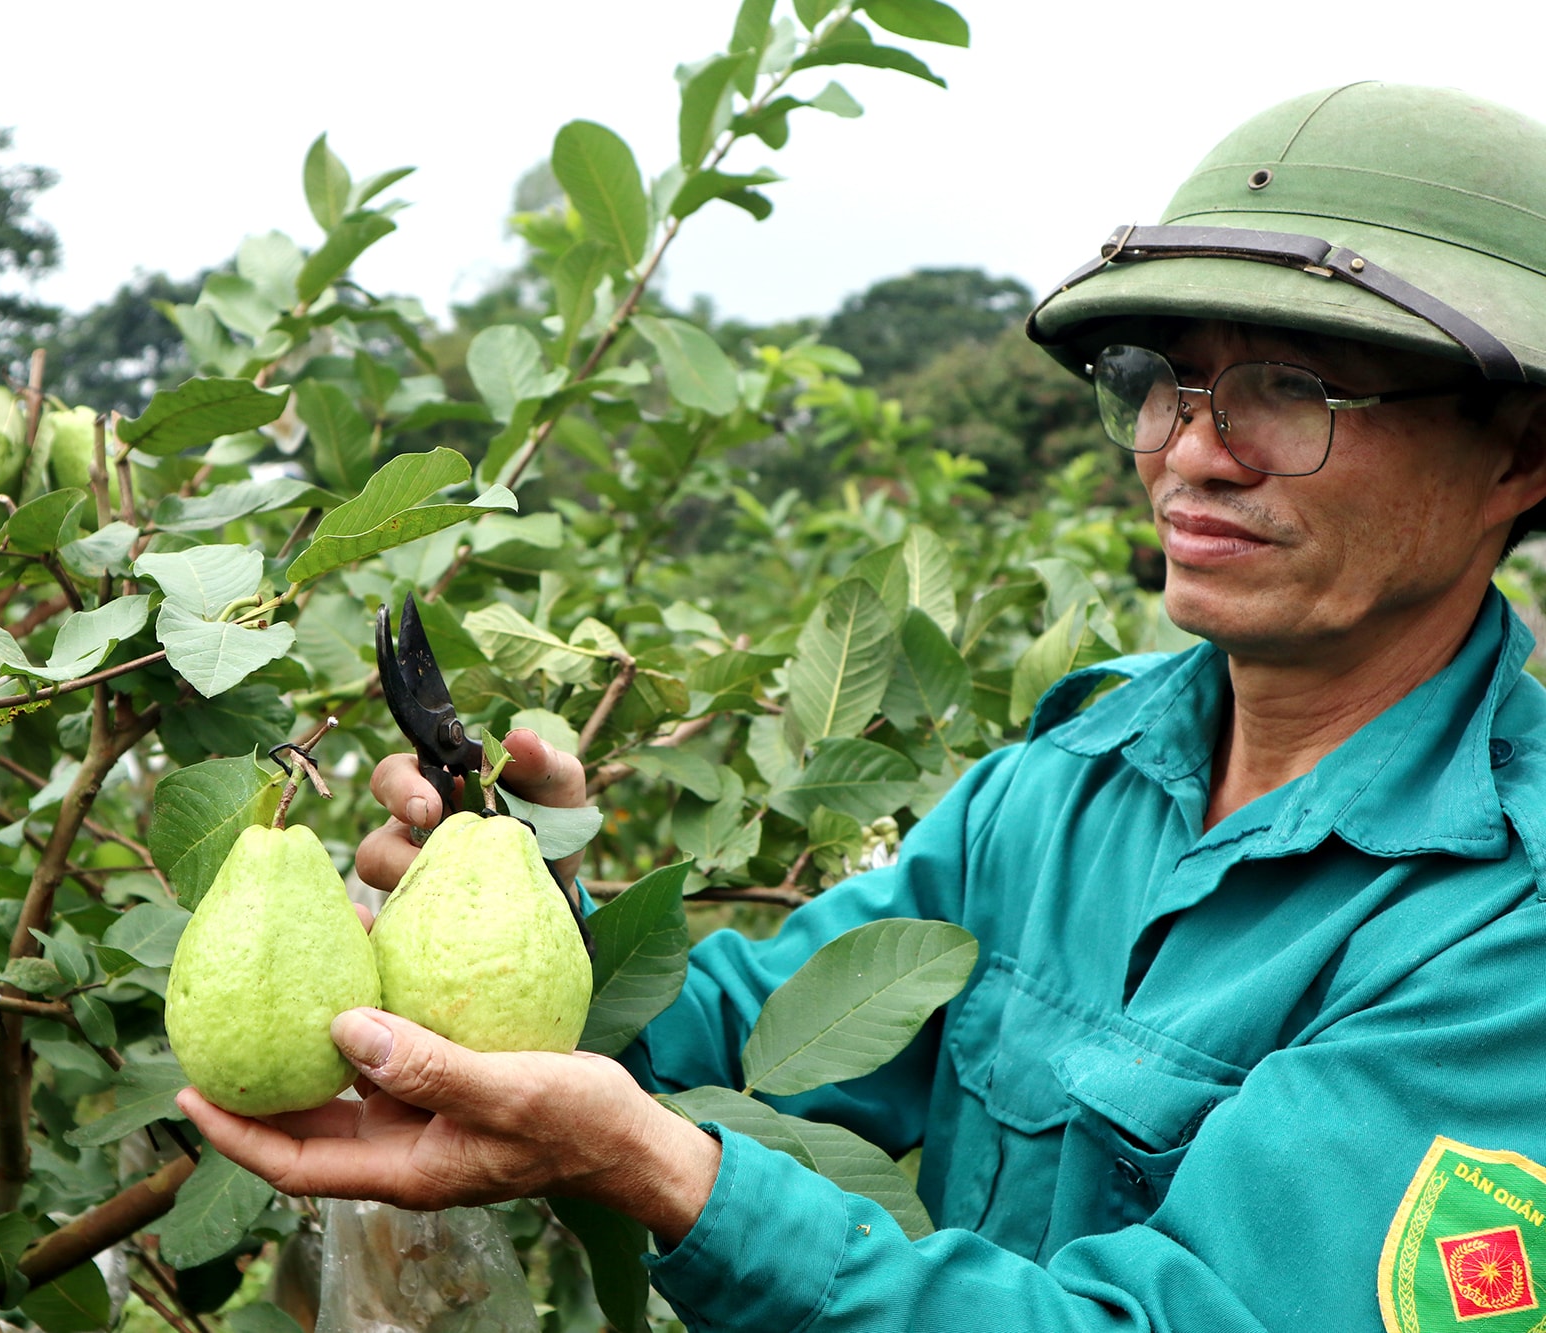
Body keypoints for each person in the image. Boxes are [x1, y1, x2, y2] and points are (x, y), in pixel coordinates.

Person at [178, 82, 1546, 1332]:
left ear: (1519, 458)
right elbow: (759, 1030)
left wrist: (665, 1174)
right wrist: (518, 912)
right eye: (1164, 384)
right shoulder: (1072, 774)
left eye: (1291, 389)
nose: (1193, 449)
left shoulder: (1507, 938)